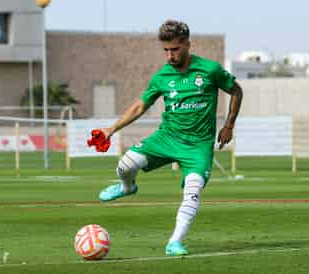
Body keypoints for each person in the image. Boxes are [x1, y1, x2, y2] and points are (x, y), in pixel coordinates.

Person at [97, 20, 243, 256]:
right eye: (166, 50)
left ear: (187, 44)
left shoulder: (210, 70)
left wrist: (229, 125)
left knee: (193, 190)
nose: (170, 56)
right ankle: (127, 187)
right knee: (125, 165)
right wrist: (111, 129)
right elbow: (139, 106)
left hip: (198, 147)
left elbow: (236, 90)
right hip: (167, 138)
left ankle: (175, 242)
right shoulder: (162, 77)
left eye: (174, 49)